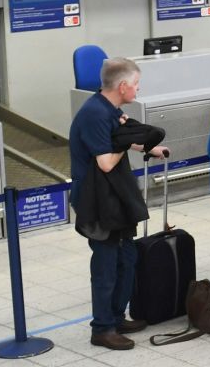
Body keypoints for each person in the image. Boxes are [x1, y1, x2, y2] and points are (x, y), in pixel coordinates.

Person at [69, 57, 170, 350]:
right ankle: (102, 328)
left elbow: (121, 138)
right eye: (136, 84)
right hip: (98, 201)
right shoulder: (94, 115)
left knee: (127, 258)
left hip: (115, 198)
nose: (138, 89)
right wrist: (127, 144)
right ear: (123, 85)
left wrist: (149, 146)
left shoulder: (110, 110)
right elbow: (105, 162)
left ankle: (115, 316)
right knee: (106, 266)